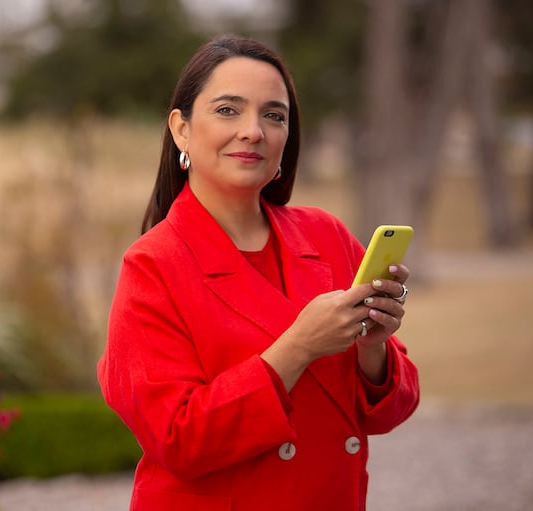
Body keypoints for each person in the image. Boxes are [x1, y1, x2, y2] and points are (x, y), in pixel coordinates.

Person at [97, 34, 420, 511]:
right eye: (228, 110)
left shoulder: (327, 236)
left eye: (274, 115)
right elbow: (177, 441)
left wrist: (372, 348)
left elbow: (394, 406)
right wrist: (299, 347)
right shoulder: (152, 265)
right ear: (180, 129)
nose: (254, 131)